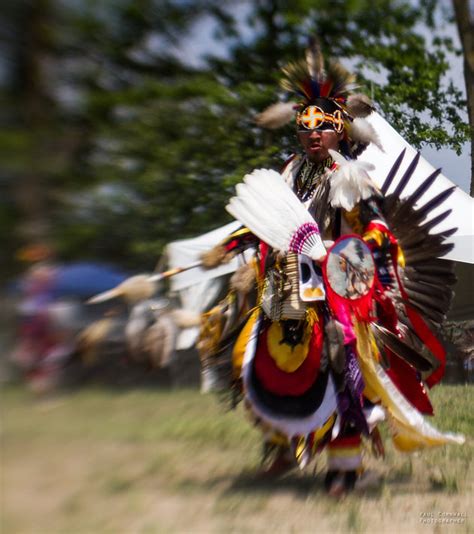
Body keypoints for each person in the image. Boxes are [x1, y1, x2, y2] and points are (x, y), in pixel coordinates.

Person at [198, 40, 464, 496]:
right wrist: (230, 246)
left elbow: (378, 229)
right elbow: (268, 225)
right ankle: (281, 447)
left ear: (341, 130)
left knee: (342, 368)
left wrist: (344, 254)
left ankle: (345, 467)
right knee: (262, 357)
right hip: (285, 284)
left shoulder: (350, 174)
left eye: (323, 127)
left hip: (336, 293)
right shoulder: (288, 172)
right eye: (306, 127)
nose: (314, 135)